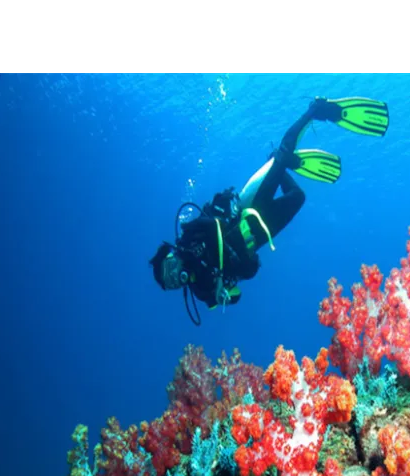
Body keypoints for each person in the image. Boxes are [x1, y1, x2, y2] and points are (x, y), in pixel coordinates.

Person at [150, 96, 389, 325]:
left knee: (283, 155)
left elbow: (215, 225)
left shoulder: (189, 237)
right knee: (298, 197)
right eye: (171, 283)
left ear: (171, 256)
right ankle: (281, 163)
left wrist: (216, 267)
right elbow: (236, 296)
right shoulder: (201, 291)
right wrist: (225, 295)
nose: (175, 277)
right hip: (258, 235)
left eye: (170, 270)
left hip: (246, 209)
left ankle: (316, 109)